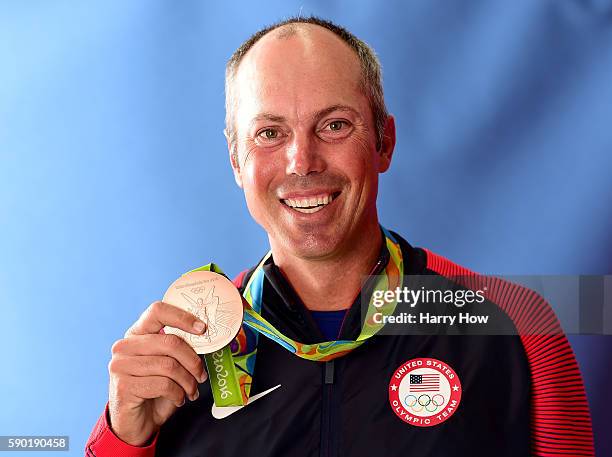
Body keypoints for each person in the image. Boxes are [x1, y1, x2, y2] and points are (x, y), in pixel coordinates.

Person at [85, 17, 594, 457]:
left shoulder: (516, 327)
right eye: (269, 133)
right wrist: (124, 440)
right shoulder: (182, 354)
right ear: (235, 160)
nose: (301, 162)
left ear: (384, 142)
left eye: (334, 125)